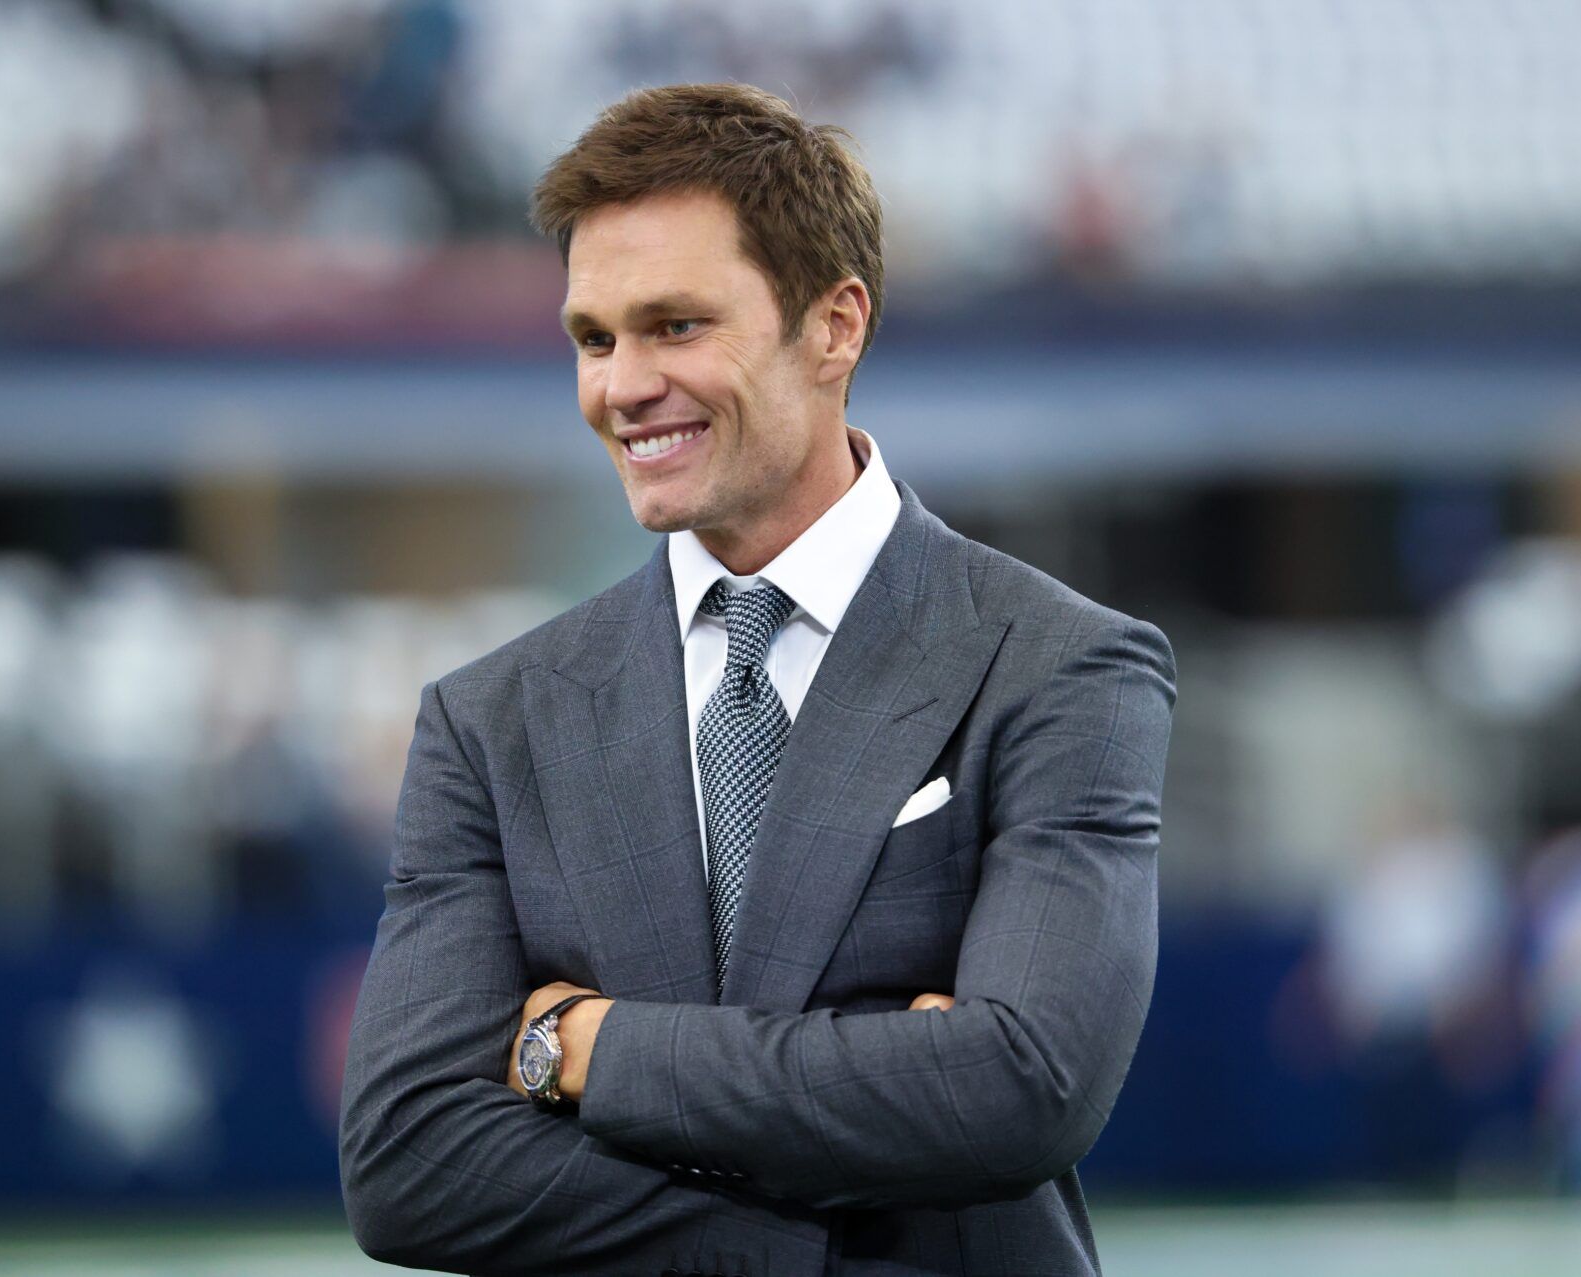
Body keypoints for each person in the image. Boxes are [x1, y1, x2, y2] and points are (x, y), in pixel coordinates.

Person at [339, 82, 1177, 1277]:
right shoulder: (491, 721)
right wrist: (825, 1229)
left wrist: (581, 1047)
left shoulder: (1060, 664)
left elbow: (1018, 1089)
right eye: (593, 336)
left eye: (676, 325)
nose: (621, 385)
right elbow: (408, 1165)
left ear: (835, 325)